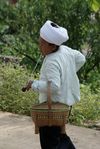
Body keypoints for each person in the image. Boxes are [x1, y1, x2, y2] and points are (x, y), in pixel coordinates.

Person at [24, 20, 86, 149]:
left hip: (52, 109)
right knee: (60, 136)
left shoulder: (52, 60)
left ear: (52, 46)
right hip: (64, 106)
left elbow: (54, 87)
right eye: (39, 41)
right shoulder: (66, 50)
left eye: (42, 44)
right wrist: (67, 73)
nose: (39, 46)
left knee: (50, 142)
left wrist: (34, 84)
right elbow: (81, 58)